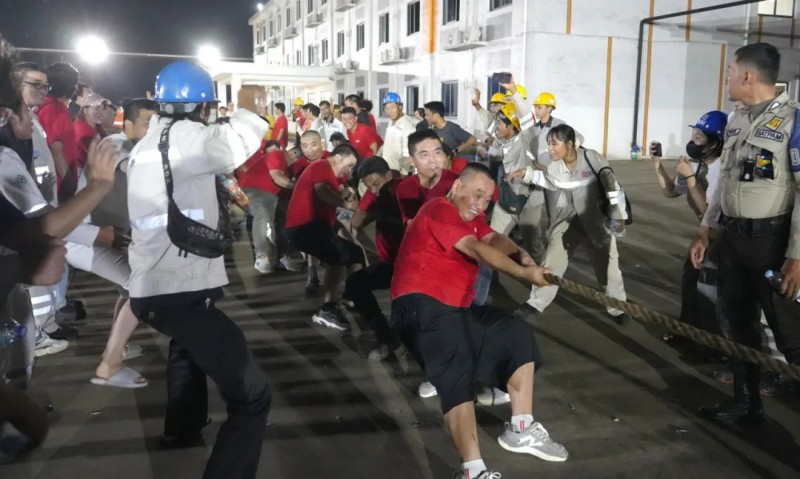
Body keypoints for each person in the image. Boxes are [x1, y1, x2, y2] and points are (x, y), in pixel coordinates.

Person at [126, 60, 270, 478]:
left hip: (162, 287)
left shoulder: (150, 142)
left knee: (187, 349)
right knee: (252, 396)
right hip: (178, 289)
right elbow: (237, 141)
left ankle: (183, 426)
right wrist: (250, 107)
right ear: (202, 107)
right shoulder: (186, 138)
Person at [391, 163, 568, 479]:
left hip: (455, 309)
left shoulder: (473, 221)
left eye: (487, 200)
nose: (481, 204)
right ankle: (473, 472)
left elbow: (493, 238)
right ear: (457, 186)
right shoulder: (439, 209)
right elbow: (475, 248)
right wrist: (522, 272)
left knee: (513, 332)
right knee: (457, 366)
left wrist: (520, 254)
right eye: (476, 194)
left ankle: (521, 428)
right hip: (419, 306)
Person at [689, 42, 800, 423]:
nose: (727, 79)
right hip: (734, 240)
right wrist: (706, 229)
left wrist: (797, 256)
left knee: (791, 336)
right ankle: (746, 403)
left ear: (748, 75)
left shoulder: (794, 123)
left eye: (730, 72)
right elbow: (724, 183)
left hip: (773, 242)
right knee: (737, 325)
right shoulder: (736, 120)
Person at [67, 98, 158, 388]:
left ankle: (116, 349)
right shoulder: (116, 143)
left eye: (157, 123)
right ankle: (110, 364)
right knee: (141, 287)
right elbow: (130, 167)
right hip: (85, 239)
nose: (154, 129)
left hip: (105, 236)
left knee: (128, 288)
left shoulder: (141, 148)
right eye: (147, 123)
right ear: (127, 124)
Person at [508, 124, 631, 325]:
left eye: (554, 144)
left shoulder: (591, 158)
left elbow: (612, 186)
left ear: (570, 144)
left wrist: (618, 216)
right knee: (551, 262)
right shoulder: (555, 166)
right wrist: (526, 174)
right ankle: (535, 304)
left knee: (609, 267)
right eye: (548, 144)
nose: (550, 149)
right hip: (566, 222)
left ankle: (618, 309)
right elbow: (549, 181)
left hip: (596, 222)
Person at [650, 111, 726, 334]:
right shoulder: (695, 163)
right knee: (691, 279)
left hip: (722, 234)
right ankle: (689, 332)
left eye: (699, 136)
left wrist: (691, 177)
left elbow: (708, 211)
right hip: (706, 232)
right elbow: (671, 192)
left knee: (710, 288)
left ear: (715, 142)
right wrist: (657, 164)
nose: (693, 140)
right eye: (694, 135)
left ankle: (713, 340)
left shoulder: (721, 168)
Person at [285, 143, 363, 330]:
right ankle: (328, 308)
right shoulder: (321, 165)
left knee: (353, 254)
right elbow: (322, 192)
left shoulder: (333, 176)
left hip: (318, 226)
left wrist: (347, 193)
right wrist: (346, 204)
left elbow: (340, 190)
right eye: (349, 165)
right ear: (338, 158)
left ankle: (348, 297)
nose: (350, 170)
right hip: (304, 226)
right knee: (340, 255)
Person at [345, 156, 404, 361]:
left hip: (411, 265)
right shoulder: (376, 193)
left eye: (376, 184)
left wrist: (380, 213)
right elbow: (357, 221)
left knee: (406, 313)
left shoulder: (404, 189)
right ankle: (388, 338)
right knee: (355, 283)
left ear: (388, 175)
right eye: (369, 186)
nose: (373, 189)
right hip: (390, 263)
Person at [237, 139, 298, 274]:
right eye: (296, 156)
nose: (295, 160)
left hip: (268, 196)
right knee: (262, 214)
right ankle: (261, 256)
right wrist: (300, 186)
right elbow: (277, 178)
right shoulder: (277, 155)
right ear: (292, 153)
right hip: (249, 190)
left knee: (278, 220)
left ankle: (280, 256)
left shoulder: (287, 169)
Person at [395, 129, 460, 224]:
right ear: (412, 161)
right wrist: (445, 201)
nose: (433, 160)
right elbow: (413, 225)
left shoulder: (457, 182)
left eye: (437, 153)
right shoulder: (406, 187)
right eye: (425, 155)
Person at [37, 62, 79, 201]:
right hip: (60, 186)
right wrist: (71, 187)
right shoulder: (55, 109)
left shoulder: (43, 107)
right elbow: (57, 150)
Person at [379, 92, 416, 175]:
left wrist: (404, 172)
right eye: (386, 108)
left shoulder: (406, 124)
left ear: (400, 107)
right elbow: (388, 141)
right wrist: (378, 155)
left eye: (392, 107)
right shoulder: (391, 121)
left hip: (398, 170)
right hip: (388, 167)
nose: (389, 111)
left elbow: (408, 150)